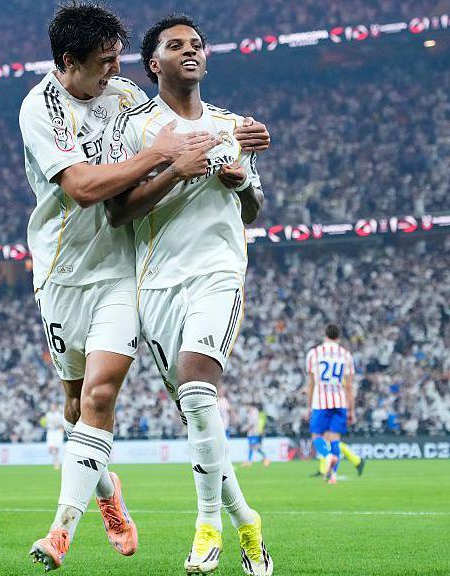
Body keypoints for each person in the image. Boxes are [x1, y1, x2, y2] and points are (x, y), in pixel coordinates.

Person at [21, 4, 270, 572]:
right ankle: (109, 491)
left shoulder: (128, 97)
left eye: (118, 59)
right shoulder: (40, 108)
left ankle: (63, 530)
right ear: (69, 63)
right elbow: (86, 190)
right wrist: (165, 158)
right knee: (74, 405)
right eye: (104, 63)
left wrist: (237, 138)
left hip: (127, 270)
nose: (114, 72)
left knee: (109, 397)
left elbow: (180, 122)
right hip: (62, 272)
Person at [103, 14, 272, 575]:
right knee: (198, 418)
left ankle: (208, 527)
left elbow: (253, 207)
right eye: (176, 46)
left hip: (218, 271)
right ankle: (248, 520)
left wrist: (240, 180)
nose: (190, 51)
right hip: (155, 283)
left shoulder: (232, 125)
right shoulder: (135, 127)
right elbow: (117, 212)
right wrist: (176, 170)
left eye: (197, 44)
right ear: (154, 63)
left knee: (200, 389)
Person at [306, 325, 363, 484]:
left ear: (325, 335)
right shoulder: (346, 355)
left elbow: (311, 384)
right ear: (339, 337)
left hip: (320, 401)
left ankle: (326, 456)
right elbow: (349, 386)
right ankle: (333, 476)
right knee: (334, 439)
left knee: (317, 436)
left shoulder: (314, 353)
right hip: (340, 401)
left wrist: (309, 406)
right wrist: (351, 410)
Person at [43, 403, 65, 470]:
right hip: (50, 431)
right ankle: (56, 460)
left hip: (57, 431)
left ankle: (57, 462)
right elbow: (46, 424)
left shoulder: (59, 414)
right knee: (50, 448)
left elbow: (62, 424)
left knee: (57, 447)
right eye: (51, 406)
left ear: (55, 407)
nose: (52, 407)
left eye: (53, 406)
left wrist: (62, 430)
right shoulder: (48, 414)